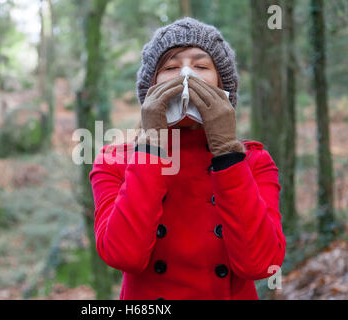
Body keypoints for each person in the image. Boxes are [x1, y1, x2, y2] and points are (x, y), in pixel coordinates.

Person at [89, 17, 286, 300]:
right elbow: (124, 256)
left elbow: (260, 263)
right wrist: (152, 147)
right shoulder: (113, 161)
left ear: (223, 85)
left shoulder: (254, 162)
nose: (185, 76)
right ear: (150, 88)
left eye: (201, 66)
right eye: (170, 67)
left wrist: (227, 153)